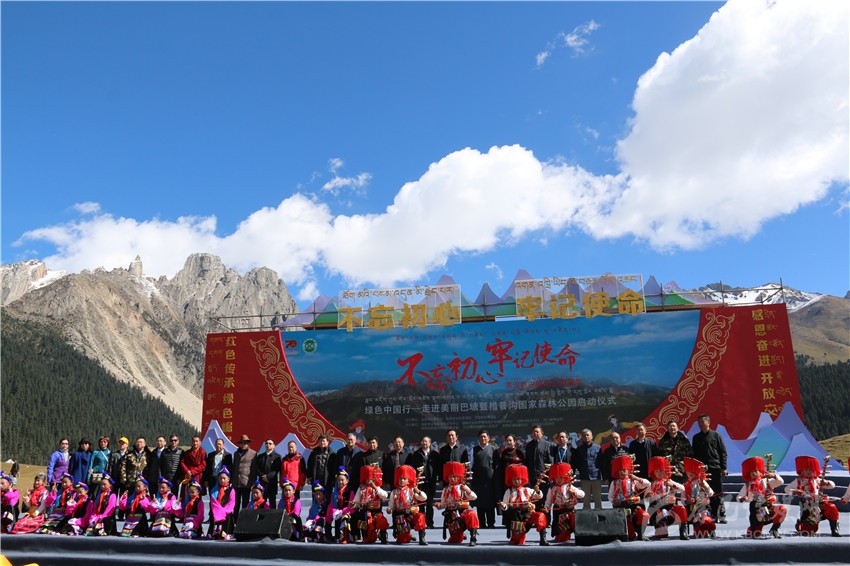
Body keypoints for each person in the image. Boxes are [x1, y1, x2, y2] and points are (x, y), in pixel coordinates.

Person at [784, 455, 839, 537]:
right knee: (809, 532)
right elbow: (786, 489)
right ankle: (800, 525)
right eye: (806, 469)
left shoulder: (817, 480)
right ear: (801, 471)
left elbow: (832, 486)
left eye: (811, 469)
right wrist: (794, 491)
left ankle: (834, 530)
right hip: (808, 507)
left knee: (832, 507)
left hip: (819, 504)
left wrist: (827, 483)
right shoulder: (798, 481)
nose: (809, 472)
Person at [737, 456, 786, 538]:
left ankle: (774, 529)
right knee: (755, 533)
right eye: (751, 472)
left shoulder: (767, 481)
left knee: (782, 509)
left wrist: (774, 476)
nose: (754, 473)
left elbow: (781, 482)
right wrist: (742, 499)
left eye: (755, 471)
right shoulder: (748, 484)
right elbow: (739, 496)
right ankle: (754, 528)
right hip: (756, 509)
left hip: (768, 507)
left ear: (760, 472)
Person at [499, 464, 548, 546]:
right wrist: (504, 506)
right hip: (516, 517)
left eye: (518, 479)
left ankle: (543, 538)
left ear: (522, 479)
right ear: (511, 480)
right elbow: (505, 505)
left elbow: (539, 496)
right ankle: (515, 536)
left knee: (540, 516)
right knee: (518, 542)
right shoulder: (508, 491)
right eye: (514, 479)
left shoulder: (527, 490)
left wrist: (538, 490)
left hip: (528, 515)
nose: (516, 481)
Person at [691, 414, 727, 523]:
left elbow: (723, 452)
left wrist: (724, 468)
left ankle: (721, 515)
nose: (701, 424)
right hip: (701, 470)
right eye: (699, 422)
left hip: (715, 467)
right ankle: (708, 515)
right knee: (705, 493)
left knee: (717, 493)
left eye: (703, 422)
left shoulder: (716, 435)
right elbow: (694, 455)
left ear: (708, 422)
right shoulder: (696, 438)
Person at [436, 461, 479, 546]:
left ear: (458, 477)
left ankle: (473, 537)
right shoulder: (446, 490)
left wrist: (467, 490)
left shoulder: (462, 487)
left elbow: (474, 497)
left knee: (472, 514)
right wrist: (439, 506)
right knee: (456, 540)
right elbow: (443, 504)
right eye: (450, 477)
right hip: (452, 514)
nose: (452, 479)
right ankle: (460, 534)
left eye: (454, 477)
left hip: (462, 511)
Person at [608, 455, 650, 541]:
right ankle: (629, 532)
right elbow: (610, 497)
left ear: (628, 471)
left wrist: (637, 478)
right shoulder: (614, 483)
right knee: (630, 537)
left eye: (624, 470)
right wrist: (617, 501)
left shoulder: (634, 481)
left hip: (634, 506)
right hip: (621, 508)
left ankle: (641, 533)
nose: (622, 472)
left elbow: (648, 484)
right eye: (620, 470)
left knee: (644, 515)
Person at [645, 456, 688, 540]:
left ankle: (682, 531)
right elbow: (646, 498)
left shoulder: (669, 481)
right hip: (657, 509)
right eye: (657, 471)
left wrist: (673, 485)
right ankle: (661, 526)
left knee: (682, 509)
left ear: (665, 471)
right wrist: (649, 496)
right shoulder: (652, 484)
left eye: (661, 471)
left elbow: (682, 489)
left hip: (670, 507)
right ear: (653, 472)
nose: (659, 473)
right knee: (661, 534)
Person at [542, 462, 583, 543]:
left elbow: (582, 494)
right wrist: (546, 507)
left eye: (561, 477)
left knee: (573, 521)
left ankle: (577, 534)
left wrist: (575, 492)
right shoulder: (552, 488)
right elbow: (548, 500)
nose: (559, 480)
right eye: (557, 478)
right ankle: (562, 535)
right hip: (558, 510)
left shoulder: (569, 486)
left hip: (569, 509)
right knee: (561, 536)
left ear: (565, 477)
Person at [387, 465, 428, 545]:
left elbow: (424, 498)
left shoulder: (412, 490)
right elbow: (391, 504)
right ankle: (407, 535)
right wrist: (389, 509)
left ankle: (422, 538)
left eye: (404, 479)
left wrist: (418, 491)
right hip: (400, 516)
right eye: (400, 479)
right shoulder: (394, 492)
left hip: (411, 515)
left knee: (421, 516)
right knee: (403, 540)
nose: (402, 481)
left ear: (408, 481)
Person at [404, 436, 440, 528]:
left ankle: (430, 523)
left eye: (426, 441)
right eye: (423, 441)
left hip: (431, 482)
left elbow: (438, 467)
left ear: (430, 443)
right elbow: (412, 468)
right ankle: (421, 522)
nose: (424, 443)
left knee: (429, 504)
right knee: (420, 504)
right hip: (420, 482)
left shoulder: (434, 454)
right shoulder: (416, 454)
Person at [351, 465, 389, 544]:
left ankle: (383, 536)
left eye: (371, 479)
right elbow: (356, 501)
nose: (370, 481)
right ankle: (367, 535)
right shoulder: (361, 489)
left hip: (376, 512)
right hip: (364, 512)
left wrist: (375, 488)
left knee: (383, 521)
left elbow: (385, 495)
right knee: (369, 538)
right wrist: (353, 504)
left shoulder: (377, 488)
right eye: (368, 479)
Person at [470, 430, 499, 529]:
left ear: (488, 438)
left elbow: (496, 465)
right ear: (478, 438)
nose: (483, 438)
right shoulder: (474, 450)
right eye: (481, 437)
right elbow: (471, 465)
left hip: (490, 480)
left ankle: (491, 523)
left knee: (490, 502)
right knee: (480, 502)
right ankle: (481, 522)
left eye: (485, 437)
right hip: (478, 480)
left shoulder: (494, 449)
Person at [682, 457, 717, 539]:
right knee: (699, 533)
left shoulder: (702, 482)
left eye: (693, 472)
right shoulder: (685, 485)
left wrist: (705, 487)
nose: (690, 473)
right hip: (692, 508)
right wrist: (688, 501)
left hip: (703, 506)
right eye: (689, 471)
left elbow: (711, 493)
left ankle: (711, 529)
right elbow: (683, 499)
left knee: (706, 517)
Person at [571, 428, 602, 510]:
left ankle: (599, 515)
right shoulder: (579, 449)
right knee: (586, 500)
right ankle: (586, 516)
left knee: (598, 500)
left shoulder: (598, 448)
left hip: (596, 477)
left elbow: (601, 462)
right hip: (584, 477)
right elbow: (577, 463)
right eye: (584, 436)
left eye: (588, 435)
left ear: (592, 436)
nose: (586, 437)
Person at [657, 420, 693, 485]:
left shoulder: (684, 440)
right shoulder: (663, 441)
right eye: (670, 426)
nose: (672, 428)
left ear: (677, 428)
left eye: (673, 426)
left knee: (682, 489)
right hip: (668, 471)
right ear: (667, 429)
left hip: (682, 471)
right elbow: (659, 456)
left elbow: (690, 455)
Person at [327, 467, 355, 543]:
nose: (340, 482)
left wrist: (342, 512)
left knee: (345, 518)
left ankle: (346, 537)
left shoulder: (350, 492)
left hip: (347, 513)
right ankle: (337, 536)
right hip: (337, 512)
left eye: (342, 480)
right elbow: (332, 505)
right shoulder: (334, 493)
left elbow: (352, 506)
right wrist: (333, 513)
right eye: (339, 480)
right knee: (335, 518)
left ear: (347, 481)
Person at [208, 466, 237, 540]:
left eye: (224, 478)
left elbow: (231, 503)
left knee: (228, 516)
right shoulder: (214, 490)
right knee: (213, 514)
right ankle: (213, 532)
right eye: (220, 478)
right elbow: (213, 502)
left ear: (228, 479)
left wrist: (224, 510)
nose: (222, 480)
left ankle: (227, 532)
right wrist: (219, 510)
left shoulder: (231, 490)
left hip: (226, 511)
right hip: (216, 510)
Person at [232, 434, 257, 517]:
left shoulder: (253, 453)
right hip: (236, 482)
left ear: (248, 444)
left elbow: (254, 469)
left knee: (245, 502)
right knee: (236, 502)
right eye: (242, 443)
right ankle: (235, 519)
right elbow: (234, 467)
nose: (243, 445)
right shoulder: (236, 453)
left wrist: (253, 481)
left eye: (245, 443)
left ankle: (244, 519)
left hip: (246, 482)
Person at [253, 438, 281, 507]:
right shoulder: (260, 456)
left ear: (274, 446)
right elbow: (257, 468)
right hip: (262, 483)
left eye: (270, 443)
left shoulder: (277, 457)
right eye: (266, 443)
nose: (268, 445)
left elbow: (276, 469)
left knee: (272, 503)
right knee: (261, 503)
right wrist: (263, 476)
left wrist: (268, 477)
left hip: (272, 483)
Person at [178, 436, 207, 501]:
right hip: (188, 475)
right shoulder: (187, 452)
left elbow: (203, 465)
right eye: (193, 441)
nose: (195, 443)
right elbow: (182, 462)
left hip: (197, 476)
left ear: (200, 442)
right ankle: (185, 506)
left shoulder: (202, 452)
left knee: (197, 493)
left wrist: (192, 472)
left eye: (196, 441)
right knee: (186, 493)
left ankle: (196, 506)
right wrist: (187, 471)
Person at [109, 437, 129, 517]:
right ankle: (112, 514)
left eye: (123, 443)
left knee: (123, 497)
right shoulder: (114, 454)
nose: (121, 445)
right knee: (113, 497)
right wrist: (110, 479)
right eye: (120, 443)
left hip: (125, 480)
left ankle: (121, 514)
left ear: (127, 445)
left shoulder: (129, 454)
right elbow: (110, 467)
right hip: (115, 479)